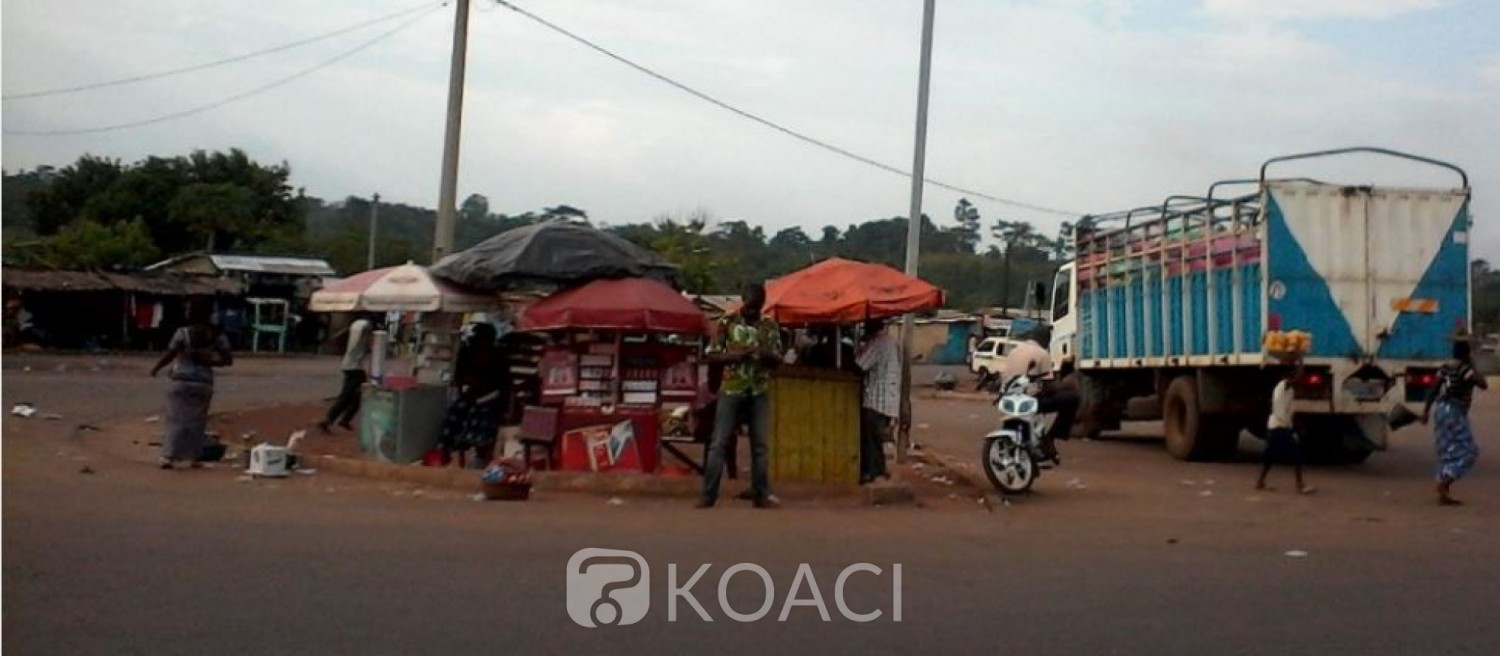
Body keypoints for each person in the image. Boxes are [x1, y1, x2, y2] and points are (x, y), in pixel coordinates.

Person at [698, 283, 783, 509]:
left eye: (757, 307)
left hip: (759, 389)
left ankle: (761, 495)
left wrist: (767, 356)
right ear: (743, 301)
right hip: (732, 388)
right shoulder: (727, 322)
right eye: (750, 306)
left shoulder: (770, 325)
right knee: (719, 442)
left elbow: (778, 360)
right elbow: (712, 356)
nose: (753, 311)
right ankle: (708, 495)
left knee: (760, 446)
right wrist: (734, 356)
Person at [149, 304, 233, 469]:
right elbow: (227, 360)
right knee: (197, 421)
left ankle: (169, 457)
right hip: (203, 383)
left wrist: (156, 368)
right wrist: (209, 361)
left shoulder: (183, 333)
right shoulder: (217, 335)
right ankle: (193, 457)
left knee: (175, 420)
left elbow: (171, 353)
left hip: (180, 380)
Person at [1421, 339, 1488, 505]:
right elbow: (1483, 384)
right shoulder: (1466, 369)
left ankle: (1444, 492)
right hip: (1455, 412)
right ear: (1467, 354)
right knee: (1470, 451)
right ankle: (1446, 481)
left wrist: (1426, 410)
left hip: (1441, 410)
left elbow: (1434, 388)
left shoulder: (1445, 367)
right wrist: (1472, 365)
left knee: (1446, 451)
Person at [999, 328, 1076, 465]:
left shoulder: (1014, 351)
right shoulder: (1042, 354)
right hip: (1028, 401)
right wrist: (1065, 385)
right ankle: (1051, 437)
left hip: (1009, 398)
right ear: (1045, 340)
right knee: (1071, 399)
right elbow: (1049, 386)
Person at [438, 322, 509, 467]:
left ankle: (482, 452)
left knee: (483, 421)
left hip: (492, 398)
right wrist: (466, 388)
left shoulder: (498, 355)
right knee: (454, 413)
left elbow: (505, 384)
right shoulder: (466, 352)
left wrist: (505, 405)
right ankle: (446, 451)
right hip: (471, 395)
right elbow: (459, 376)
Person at [1257, 362, 1314, 494]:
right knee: (1297, 455)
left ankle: (1260, 481)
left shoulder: (1290, 389)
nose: (1301, 376)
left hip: (1275, 427)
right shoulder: (1283, 387)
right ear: (1291, 375)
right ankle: (1300, 485)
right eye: (1299, 373)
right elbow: (1282, 412)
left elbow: (1289, 411)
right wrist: (1292, 430)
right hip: (1280, 427)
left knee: (1270, 457)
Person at [856, 319, 898, 484]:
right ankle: (878, 472)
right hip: (887, 400)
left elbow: (860, 365)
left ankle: (873, 473)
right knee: (876, 439)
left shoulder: (877, 343)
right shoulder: (889, 341)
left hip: (877, 399)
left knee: (871, 440)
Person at [318, 314, 374, 434]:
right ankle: (329, 419)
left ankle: (344, 419)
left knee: (357, 394)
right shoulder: (365, 326)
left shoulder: (354, 325)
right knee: (348, 395)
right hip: (355, 367)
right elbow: (368, 345)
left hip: (350, 364)